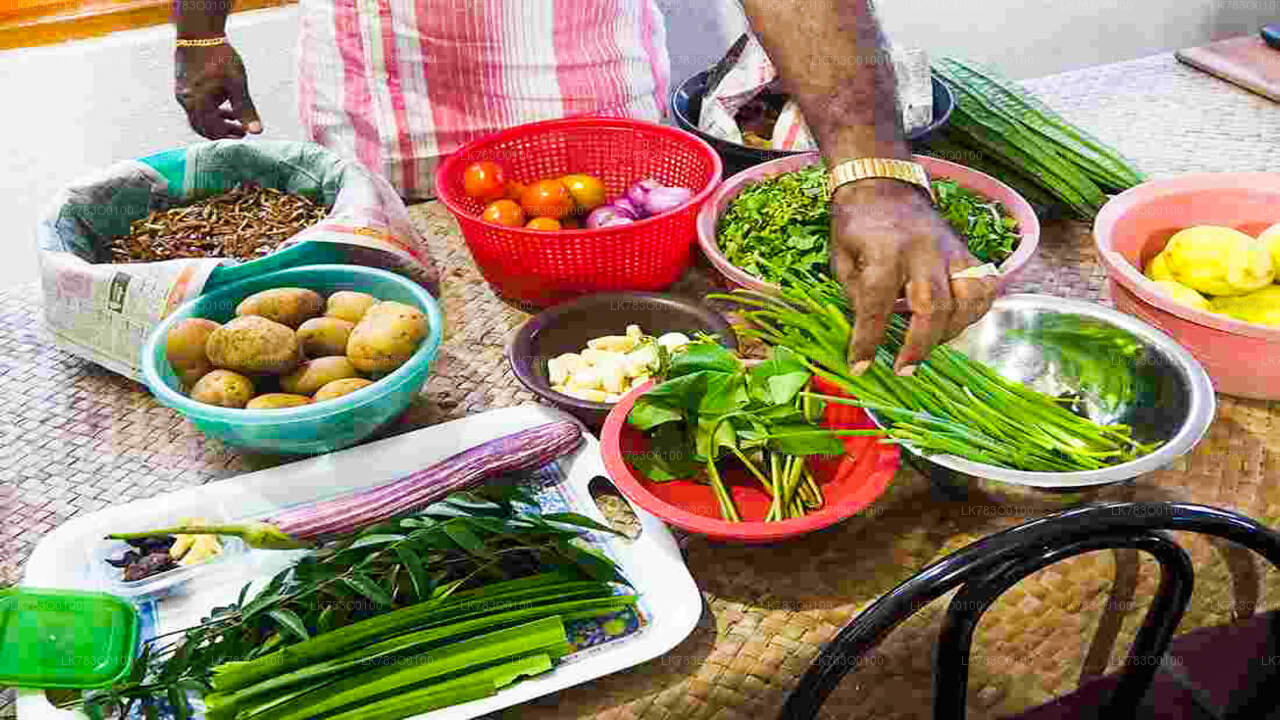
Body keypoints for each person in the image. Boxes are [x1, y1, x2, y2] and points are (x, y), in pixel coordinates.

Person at [172, 0, 995, 372]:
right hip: (377, 84)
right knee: (403, 331)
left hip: (586, 82)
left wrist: (872, 168)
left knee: (623, 329)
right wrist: (200, 31)